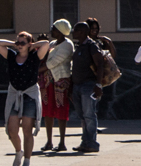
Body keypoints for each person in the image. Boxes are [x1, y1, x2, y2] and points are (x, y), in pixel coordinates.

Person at [0, 31, 51, 166]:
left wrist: (32, 45)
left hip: (29, 94)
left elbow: (46, 44)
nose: (20, 45)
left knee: (27, 129)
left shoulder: (34, 56)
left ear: (29, 44)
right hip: (15, 94)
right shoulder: (12, 56)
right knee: (12, 129)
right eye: (18, 42)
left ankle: (27, 160)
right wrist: (13, 44)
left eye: (22, 43)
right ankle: (19, 151)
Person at [69, 22, 105, 153]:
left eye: (76, 30)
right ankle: (85, 142)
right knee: (82, 115)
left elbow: (100, 64)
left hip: (88, 86)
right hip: (77, 86)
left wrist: (98, 85)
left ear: (83, 32)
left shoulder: (91, 46)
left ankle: (92, 143)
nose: (73, 32)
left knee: (89, 115)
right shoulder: (79, 46)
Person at [39, 19, 74, 152]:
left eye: (54, 28)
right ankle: (49, 141)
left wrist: (37, 70)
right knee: (48, 110)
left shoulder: (67, 45)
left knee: (61, 110)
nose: (51, 31)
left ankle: (62, 142)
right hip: (48, 82)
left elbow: (53, 62)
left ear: (60, 31)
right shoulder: (53, 43)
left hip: (61, 81)